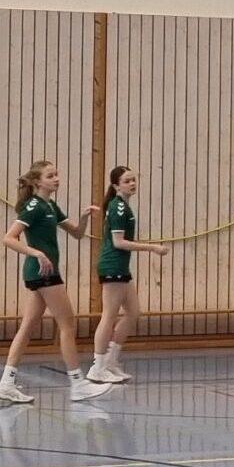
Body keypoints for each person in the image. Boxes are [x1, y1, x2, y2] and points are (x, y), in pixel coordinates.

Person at [0, 160, 112, 404]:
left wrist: (83, 217)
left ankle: (5, 383)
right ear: (38, 182)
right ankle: (78, 384)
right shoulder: (34, 207)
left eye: (57, 174)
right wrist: (36, 252)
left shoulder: (50, 205)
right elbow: (9, 238)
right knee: (67, 324)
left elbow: (77, 234)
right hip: (43, 272)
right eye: (50, 175)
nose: (56, 178)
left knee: (27, 327)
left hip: (41, 273)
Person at [88, 165, 170, 385]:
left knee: (133, 312)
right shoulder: (118, 207)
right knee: (109, 315)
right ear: (116, 186)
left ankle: (111, 361)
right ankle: (98, 367)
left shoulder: (123, 206)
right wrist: (152, 248)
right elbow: (118, 242)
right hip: (112, 266)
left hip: (121, 267)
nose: (132, 184)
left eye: (134, 180)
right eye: (127, 181)